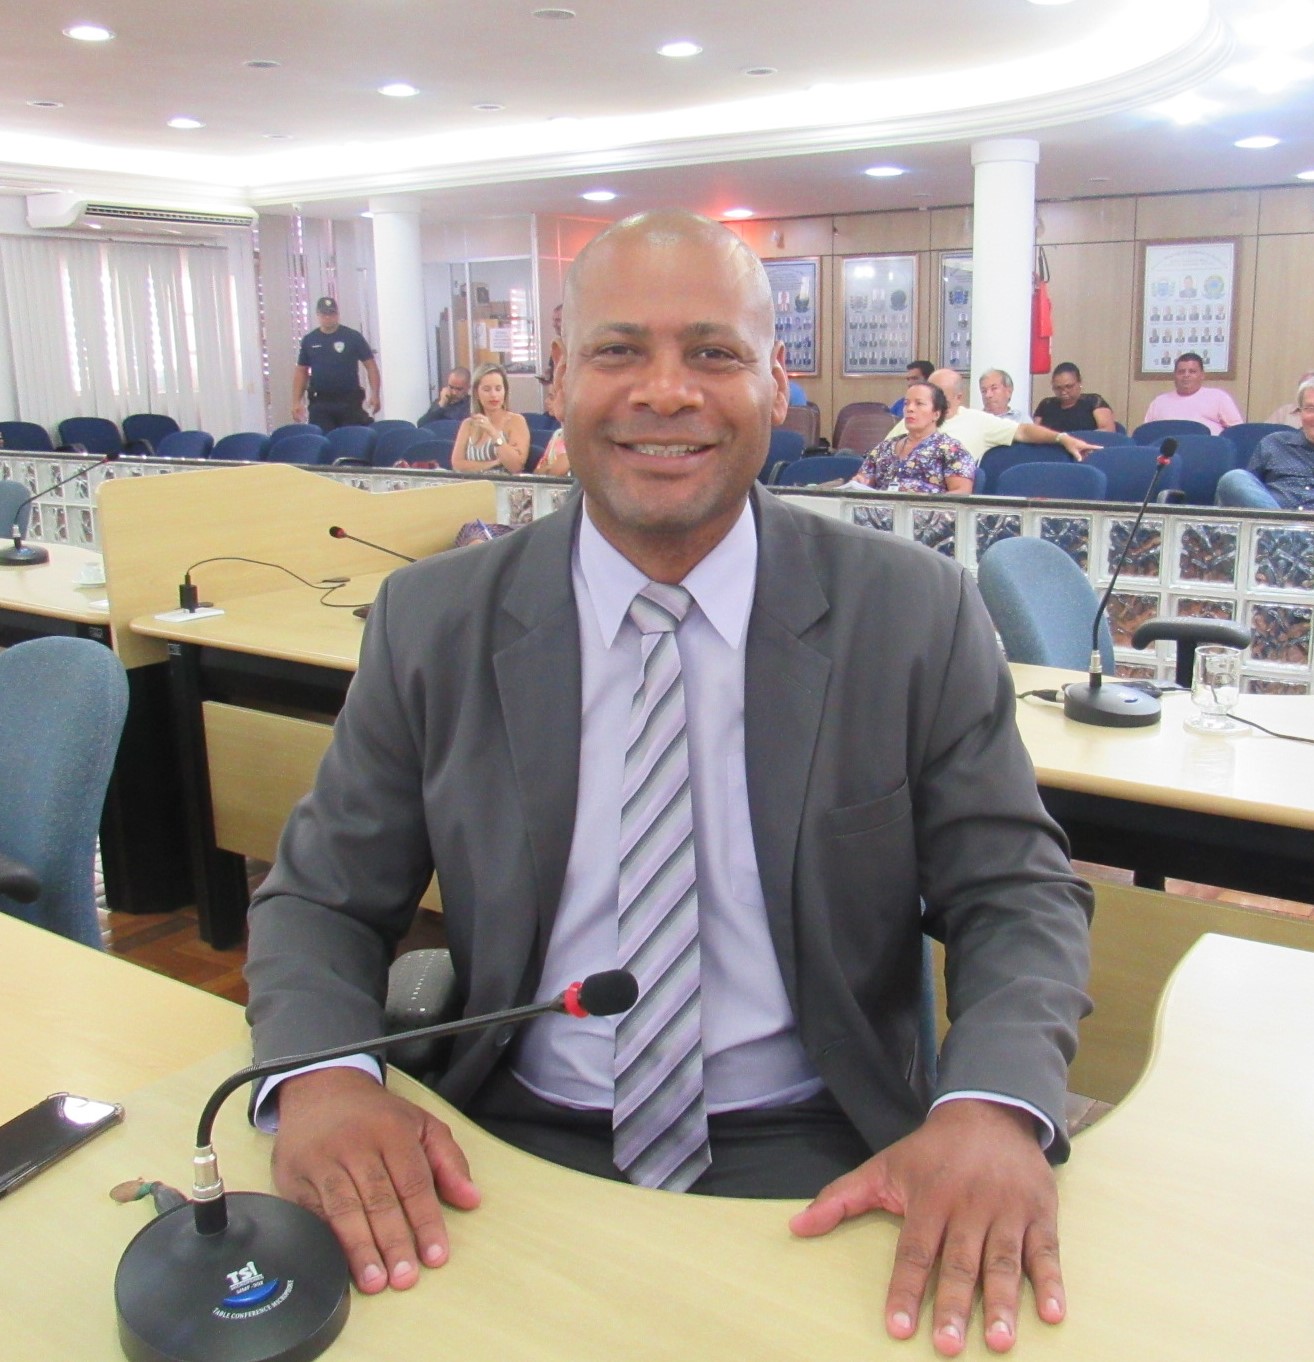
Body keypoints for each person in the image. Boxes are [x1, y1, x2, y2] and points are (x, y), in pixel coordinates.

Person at [245, 209, 1091, 1357]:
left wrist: (990, 1107)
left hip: (823, 1143)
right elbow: (320, 898)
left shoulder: (911, 615)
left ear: (777, 384)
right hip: (503, 1140)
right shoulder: (434, 622)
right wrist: (327, 1081)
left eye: (713, 352)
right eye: (618, 350)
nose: (665, 391)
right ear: (557, 377)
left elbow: (1017, 893)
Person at [887, 368, 1096, 462]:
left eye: (938, 394)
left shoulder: (977, 421)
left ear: (958, 397)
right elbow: (880, 456)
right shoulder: (911, 420)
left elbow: (1023, 431)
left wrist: (1062, 438)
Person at [849, 381, 976, 493]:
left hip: (927, 511)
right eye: (906, 403)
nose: (910, 409)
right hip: (880, 511)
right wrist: (860, 482)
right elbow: (864, 482)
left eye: (919, 404)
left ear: (936, 414)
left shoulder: (952, 450)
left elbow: (961, 492)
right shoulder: (884, 447)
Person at [1217, 378, 1314, 509]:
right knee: (1234, 479)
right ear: (1300, 412)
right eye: (1310, 408)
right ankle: (1280, 522)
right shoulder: (1275, 444)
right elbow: (1248, 490)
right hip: (1269, 516)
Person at [292, 297, 381, 431]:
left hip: (349, 402)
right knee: (323, 439)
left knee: (350, 439)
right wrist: (296, 401)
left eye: (331, 313)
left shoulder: (353, 337)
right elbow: (301, 371)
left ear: (337, 314)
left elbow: (371, 366)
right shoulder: (309, 340)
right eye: (324, 314)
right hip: (320, 404)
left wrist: (375, 394)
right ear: (318, 315)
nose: (328, 317)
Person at [450, 363, 531, 475]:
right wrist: (492, 464)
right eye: (487, 389)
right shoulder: (468, 424)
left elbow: (515, 466)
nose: (493, 395)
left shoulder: (516, 421)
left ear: (505, 391)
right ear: (476, 393)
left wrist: (493, 433)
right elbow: (457, 465)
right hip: (473, 484)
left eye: (498, 389)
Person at [1142, 352, 1243, 434]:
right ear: (1174, 375)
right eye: (1181, 372)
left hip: (1206, 451)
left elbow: (1237, 432)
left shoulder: (1219, 397)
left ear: (1202, 375)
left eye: (1192, 371)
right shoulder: (1159, 402)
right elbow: (1146, 434)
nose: (1186, 375)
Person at [1032, 363, 1116, 434]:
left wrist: (1071, 440)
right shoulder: (1046, 404)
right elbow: (1033, 432)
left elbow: (1108, 431)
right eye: (1058, 388)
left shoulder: (1094, 401)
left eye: (1069, 386)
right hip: (1051, 447)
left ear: (1079, 382)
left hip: (1087, 446)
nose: (1063, 392)